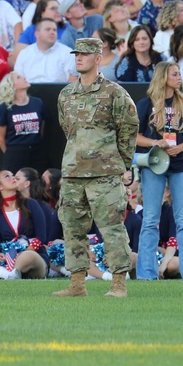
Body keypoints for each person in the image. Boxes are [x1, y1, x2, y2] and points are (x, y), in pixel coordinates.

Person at [54, 38, 137, 297]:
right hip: (73, 172)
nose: (79, 58)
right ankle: (77, 283)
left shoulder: (115, 92)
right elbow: (67, 129)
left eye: (85, 54)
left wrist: (122, 163)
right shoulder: (66, 94)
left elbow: (129, 128)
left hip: (105, 173)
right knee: (72, 227)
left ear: (98, 58)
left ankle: (118, 283)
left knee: (111, 227)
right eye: (77, 54)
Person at [135, 62, 183, 282]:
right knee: (150, 219)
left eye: (180, 73)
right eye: (175, 74)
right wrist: (157, 142)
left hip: (180, 164)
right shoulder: (146, 105)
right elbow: (134, 136)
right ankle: (146, 275)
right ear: (163, 77)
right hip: (154, 164)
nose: (179, 77)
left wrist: (179, 148)